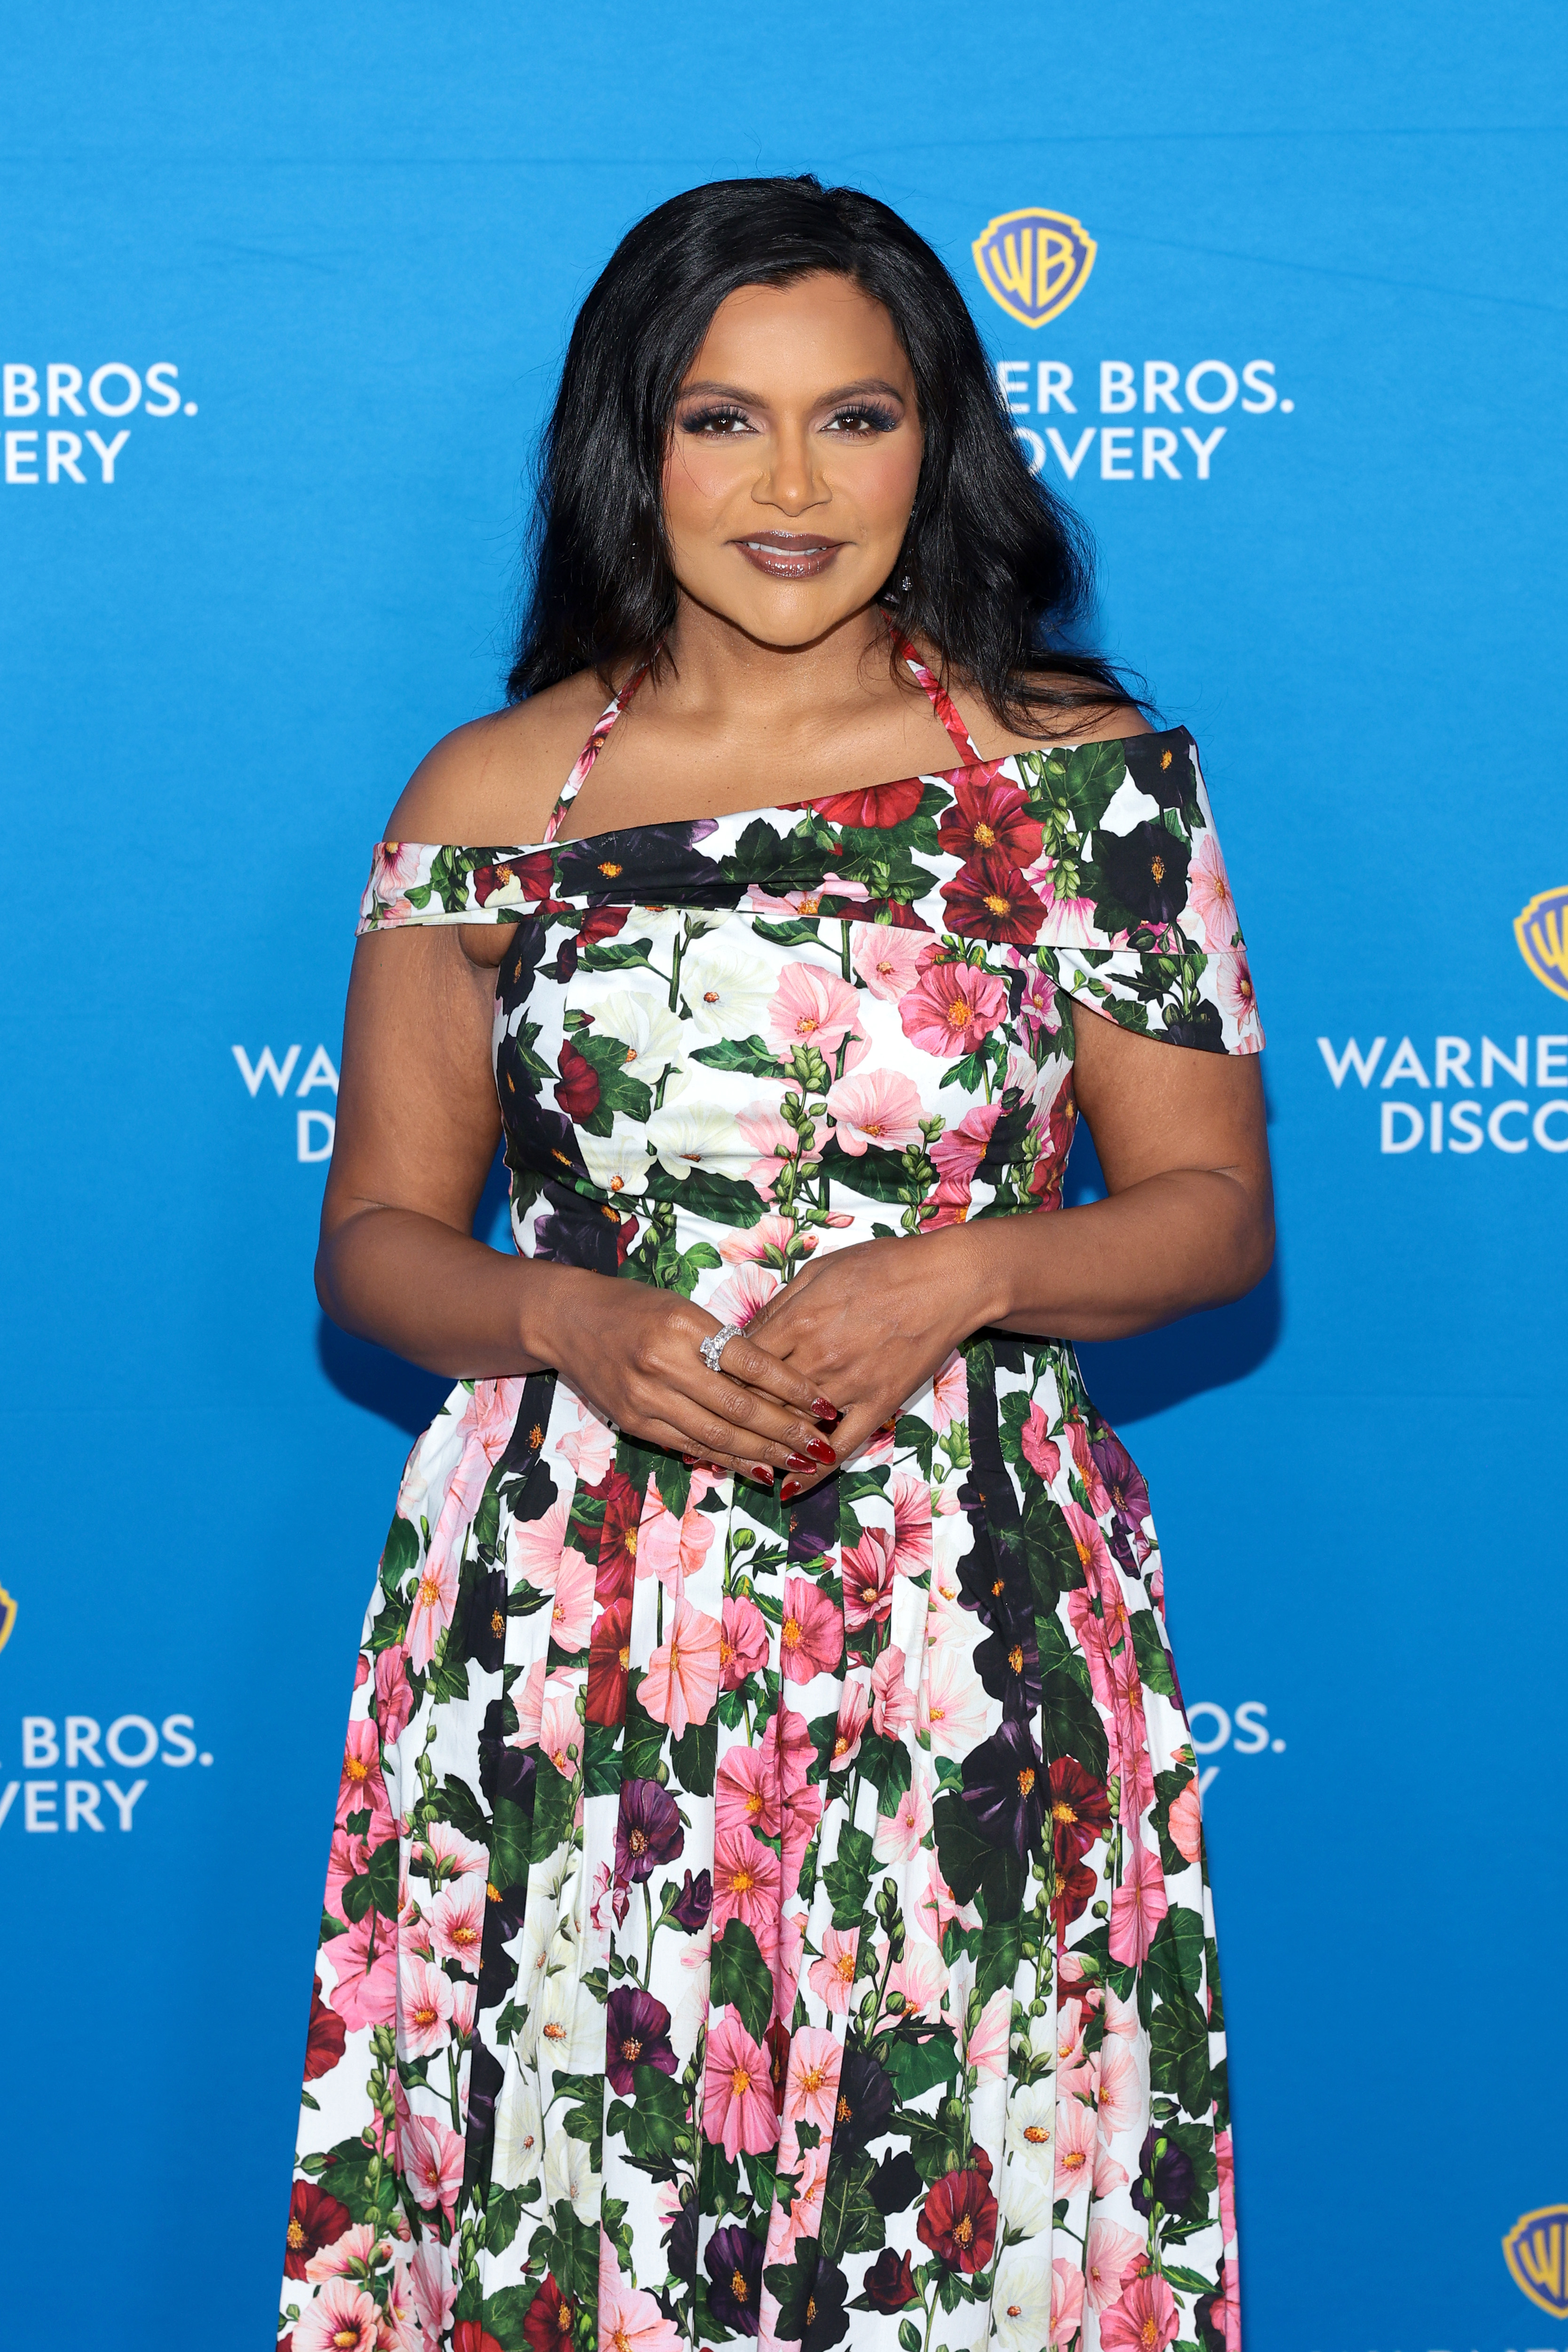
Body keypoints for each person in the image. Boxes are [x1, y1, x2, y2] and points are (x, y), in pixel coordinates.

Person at [279, 176, 1267, 2352]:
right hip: (578, 1606)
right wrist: (570, 1317)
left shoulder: (1079, 775)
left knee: (960, 2181)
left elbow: (1212, 1213)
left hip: (967, 1606)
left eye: (860, 417)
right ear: (631, 445)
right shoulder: (494, 791)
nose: (796, 486)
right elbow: (376, 1244)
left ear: (944, 445)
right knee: (594, 2188)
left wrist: (970, 1270)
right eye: (726, 421)